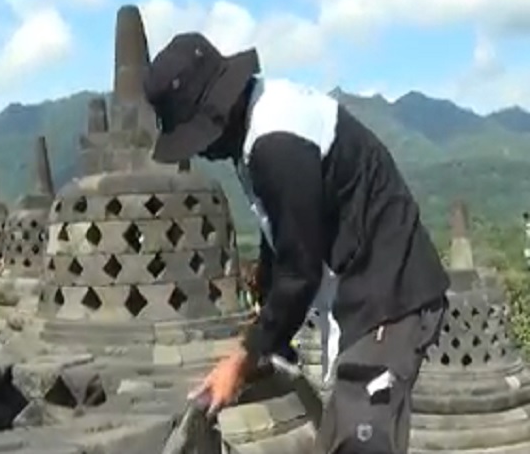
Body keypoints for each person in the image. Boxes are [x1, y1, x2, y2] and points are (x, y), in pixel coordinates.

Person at [143, 32, 450, 453]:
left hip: (389, 296)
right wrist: (266, 315)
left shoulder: (276, 143)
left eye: (199, 138)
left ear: (218, 114)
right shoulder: (263, 120)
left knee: (360, 440)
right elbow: (285, 226)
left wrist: (244, 357)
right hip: (369, 290)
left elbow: (300, 272)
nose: (202, 153)